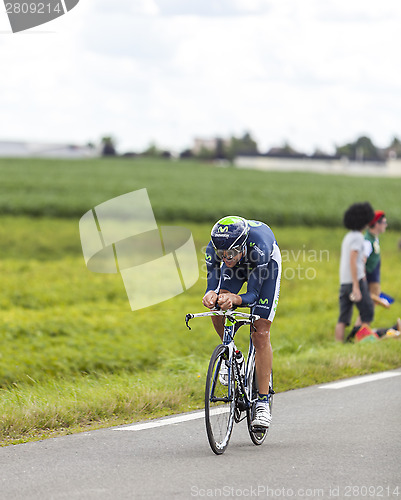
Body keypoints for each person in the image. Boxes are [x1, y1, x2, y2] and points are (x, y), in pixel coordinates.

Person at [202, 216, 281, 430]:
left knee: (260, 332)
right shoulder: (215, 248)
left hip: (264, 266)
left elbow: (253, 295)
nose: (226, 258)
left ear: (242, 246)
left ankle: (263, 402)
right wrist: (212, 294)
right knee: (219, 306)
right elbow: (213, 283)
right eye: (222, 254)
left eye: (231, 253)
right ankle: (232, 355)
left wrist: (236, 299)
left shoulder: (260, 249)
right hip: (240, 266)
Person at [335, 202, 375, 342]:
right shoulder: (358, 237)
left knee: (343, 317)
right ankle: (359, 340)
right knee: (368, 312)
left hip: (344, 281)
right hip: (355, 280)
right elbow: (353, 260)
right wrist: (356, 286)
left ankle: (338, 345)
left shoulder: (348, 236)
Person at [364, 210, 387, 297]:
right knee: (368, 309)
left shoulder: (374, 239)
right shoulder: (367, 242)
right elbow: (362, 261)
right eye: (384, 222)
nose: (386, 225)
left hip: (374, 279)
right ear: (377, 224)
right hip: (369, 280)